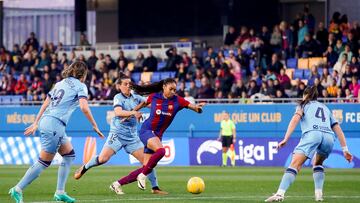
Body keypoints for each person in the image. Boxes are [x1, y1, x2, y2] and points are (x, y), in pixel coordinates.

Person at [9, 61, 104, 203]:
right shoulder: (80, 86)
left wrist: (36, 122)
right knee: (44, 162)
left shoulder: (60, 83)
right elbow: (84, 107)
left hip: (48, 121)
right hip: (55, 124)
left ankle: (60, 192)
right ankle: (17, 189)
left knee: (69, 155)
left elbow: (46, 102)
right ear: (83, 74)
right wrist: (95, 125)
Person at [73, 74, 167, 195]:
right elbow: (118, 112)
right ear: (119, 86)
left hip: (132, 137)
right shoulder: (118, 97)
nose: (128, 86)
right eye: (125, 84)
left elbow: (151, 105)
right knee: (103, 159)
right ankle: (85, 167)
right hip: (117, 134)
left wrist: (163, 103)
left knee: (148, 162)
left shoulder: (136, 97)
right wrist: (134, 112)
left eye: (130, 84)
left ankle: (155, 188)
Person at [111, 78, 205, 191]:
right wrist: (128, 115)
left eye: (175, 90)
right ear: (164, 87)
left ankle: (117, 184)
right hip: (147, 131)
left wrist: (198, 109)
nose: (173, 92)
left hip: (157, 136)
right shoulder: (154, 96)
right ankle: (142, 176)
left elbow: (194, 108)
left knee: (146, 168)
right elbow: (141, 105)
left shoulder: (178, 100)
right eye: (171, 89)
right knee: (161, 151)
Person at [265, 86, 353, 202]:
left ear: (305, 95)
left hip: (312, 134)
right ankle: (318, 194)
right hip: (328, 137)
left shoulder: (303, 105)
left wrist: (286, 138)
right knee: (317, 162)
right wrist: (345, 150)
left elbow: (295, 119)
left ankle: (280, 194)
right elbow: (338, 130)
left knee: (295, 164)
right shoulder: (325, 108)